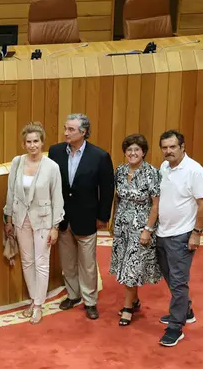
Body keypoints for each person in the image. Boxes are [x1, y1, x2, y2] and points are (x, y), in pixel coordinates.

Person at [48, 113, 114, 320]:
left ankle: (90, 301)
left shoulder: (100, 156)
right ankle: (73, 294)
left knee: (87, 264)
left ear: (83, 132)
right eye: (65, 128)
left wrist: (103, 217)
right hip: (63, 217)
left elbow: (107, 189)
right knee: (67, 262)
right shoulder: (56, 151)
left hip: (87, 218)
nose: (65, 132)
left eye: (71, 129)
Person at [3, 122, 63, 325]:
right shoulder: (17, 162)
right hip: (21, 219)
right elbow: (10, 192)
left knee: (42, 262)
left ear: (42, 142)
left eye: (36, 141)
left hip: (43, 220)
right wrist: (9, 218)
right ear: (23, 143)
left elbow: (57, 198)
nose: (32, 145)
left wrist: (55, 226)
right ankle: (33, 299)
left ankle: (38, 305)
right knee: (27, 261)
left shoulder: (52, 166)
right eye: (28, 141)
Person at [155, 130, 203, 347]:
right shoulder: (164, 168)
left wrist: (196, 233)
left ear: (182, 147)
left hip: (182, 235)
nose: (168, 151)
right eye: (165, 147)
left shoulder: (195, 170)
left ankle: (176, 327)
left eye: (172, 147)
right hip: (163, 232)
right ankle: (185, 310)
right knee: (168, 274)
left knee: (178, 281)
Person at [109, 134, 162, 327]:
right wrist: (113, 223)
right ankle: (134, 301)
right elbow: (117, 198)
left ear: (144, 152)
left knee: (131, 267)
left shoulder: (151, 173)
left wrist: (148, 230)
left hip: (141, 226)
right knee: (124, 264)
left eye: (136, 150)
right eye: (129, 150)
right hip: (122, 225)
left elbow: (156, 205)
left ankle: (128, 308)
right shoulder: (120, 171)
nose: (132, 153)